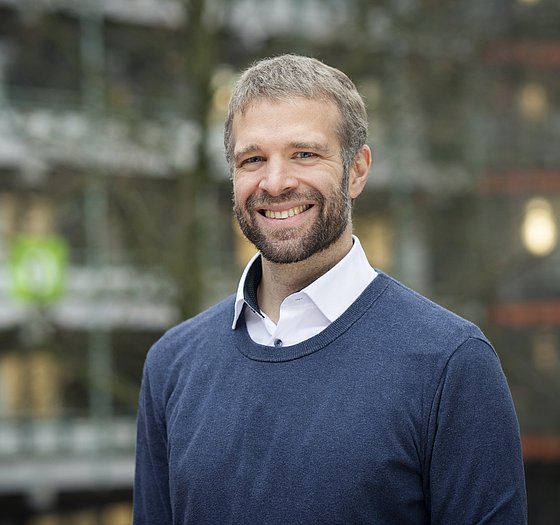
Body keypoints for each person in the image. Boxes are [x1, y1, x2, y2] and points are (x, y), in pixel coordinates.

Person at [133, 54, 527, 524]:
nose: (275, 183)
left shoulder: (450, 364)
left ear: (357, 169)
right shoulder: (172, 365)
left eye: (304, 154)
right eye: (253, 159)